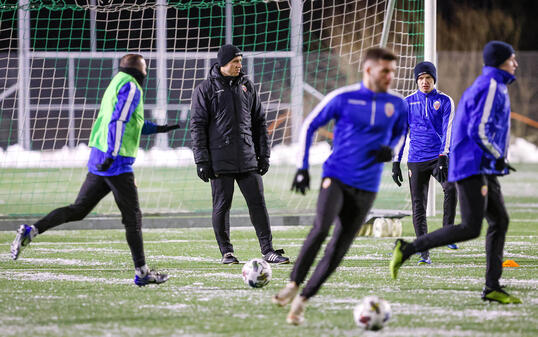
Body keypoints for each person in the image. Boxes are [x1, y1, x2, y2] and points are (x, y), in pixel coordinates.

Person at [10, 54, 180, 287]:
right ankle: (142, 273)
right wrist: (112, 154)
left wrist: (160, 128)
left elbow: (130, 122)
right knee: (133, 218)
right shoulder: (132, 87)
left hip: (99, 157)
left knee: (78, 209)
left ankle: (31, 230)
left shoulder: (116, 83)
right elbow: (118, 122)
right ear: (140, 71)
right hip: (115, 162)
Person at [272, 47, 408, 325]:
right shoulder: (343, 98)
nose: (390, 76)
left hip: (367, 187)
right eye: (385, 70)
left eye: (393, 71)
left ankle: (302, 300)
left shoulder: (398, 104)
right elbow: (310, 124)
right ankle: (293, 283)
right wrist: (302, 167)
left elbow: (402, 132)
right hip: (335, 177)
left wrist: (391, 150)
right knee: (321, 228)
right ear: (368, 70)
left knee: (339, 248)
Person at [390, 41, 522, 304]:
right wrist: (499, 155)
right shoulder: (491, 86)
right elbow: (479, 129)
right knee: (471, 226)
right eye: (512, 59)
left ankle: (492, 286)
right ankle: (411, 248)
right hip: (470, 163)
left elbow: (459, 128)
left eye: (429, 77)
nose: (516, 63)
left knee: (498, 221)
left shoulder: (485, 88)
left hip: (472, 162)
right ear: (499, 62)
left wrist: (448, 155)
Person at [190, 44, 289, 265]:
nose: (239, 65)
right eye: (235, 61)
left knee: (258, 203)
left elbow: (259, 123)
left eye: (240, 61)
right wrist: (202, 160)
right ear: (223, 63)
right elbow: (197, 126)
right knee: (222, 206)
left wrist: (263, 155)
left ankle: (268, 250)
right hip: (219, 160)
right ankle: (226, 252)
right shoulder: (205, 89)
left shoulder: (248, 87)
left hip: (247, 156)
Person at [392, 61, 458, 265]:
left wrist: (443, 156)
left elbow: (448, 131)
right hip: (416, 160)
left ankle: (447, 232)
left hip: (439, 157)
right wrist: (396, 162)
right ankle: (424, 252)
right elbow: (401, 134)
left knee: (452, 188)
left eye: (428, 78)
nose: (424, 82)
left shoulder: (445, 101)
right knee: (418, 206)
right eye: (420, 79)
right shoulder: (407, 103)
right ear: (416, 81)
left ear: (434, 79)